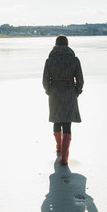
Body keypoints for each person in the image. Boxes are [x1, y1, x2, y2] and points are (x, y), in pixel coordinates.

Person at [42, 35, 84, 165]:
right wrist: (76, 92)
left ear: (55, 45)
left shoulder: (50, 60)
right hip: (69, 92)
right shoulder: (74, 60)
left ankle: (59, 148)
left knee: (56, 120)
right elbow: (80, 81)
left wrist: (49, 91)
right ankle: (64, 157)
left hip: (55, 93)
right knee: (67, 123)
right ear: (67, 45)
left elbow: (44, 81)